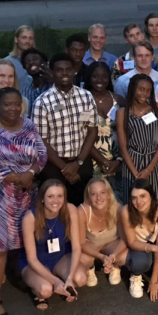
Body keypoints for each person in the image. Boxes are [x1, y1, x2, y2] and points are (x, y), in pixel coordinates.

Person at [0, 87, 47, 315]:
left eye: (17, 104)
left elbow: (42, 154)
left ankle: (35, 285)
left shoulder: (29, 125)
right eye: (7, 104)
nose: (13, 108)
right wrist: (20, 177)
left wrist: (32, 173)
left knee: (29, 242)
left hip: (26, 194)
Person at [33, 53, 99, 206]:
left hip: (82, 163)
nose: (64, 74)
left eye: (68, 69)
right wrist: (65, 169)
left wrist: (78, 162)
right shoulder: (42, 102)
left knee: (84, 207)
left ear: (74, 71)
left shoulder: (86, 96)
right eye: (59, 70)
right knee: (56, 209)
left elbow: (92, 131)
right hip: (54, 166)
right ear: (52, 72)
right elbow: (41, 141)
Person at [20, 180, 86, 310]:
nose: (55, 201)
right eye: (50, 196)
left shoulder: (70, 209)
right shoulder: (30, 218)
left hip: (59, 256)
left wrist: (70, 278)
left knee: (80, 278)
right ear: (43, 198)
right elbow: (32, 259)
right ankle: (37, 289)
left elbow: (77, 247)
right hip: (36, 261)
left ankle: (62, 282)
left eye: (60, 196)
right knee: (45, 290)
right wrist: (56, 281)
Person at [118, 179, 158, 300]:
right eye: (134, 198)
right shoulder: (126, 211)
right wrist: (155, 248)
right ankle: (136, 275)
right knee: (139, 263)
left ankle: (156, 270)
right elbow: (132, 242)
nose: (138, 202)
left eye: (143, 196)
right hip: (140, 244)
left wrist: (153, 281)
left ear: (151, 196)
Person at [117, 75, 158, 203]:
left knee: (155, 201)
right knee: (133, 203)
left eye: (148, 90)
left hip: (153, 162)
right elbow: (123, 147)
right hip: (132, 162)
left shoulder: (156, 108)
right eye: (141, 89)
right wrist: (136, 174)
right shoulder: (123, 112)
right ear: (133, 89)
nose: (144, 93)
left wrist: (148, 169)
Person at [76, 177, 127, 287]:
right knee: (82, 259)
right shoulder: (82, 211)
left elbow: (124, 239)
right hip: (90, 246)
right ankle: (90, 268)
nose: (99, 198)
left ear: (109, 194)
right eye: (93, 194)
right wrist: (102, 257)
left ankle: (115, 266)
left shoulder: (119, 209)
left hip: (111, 244)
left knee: (124, 257)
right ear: (88, 197)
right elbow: (81, 242)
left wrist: (113, 256)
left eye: (102, 192)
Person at [83, 62, 125, 186]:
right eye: (95, 76)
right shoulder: (83, 102)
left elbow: (128, 133)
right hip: (91, 160)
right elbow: (82, 136)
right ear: (89, 77)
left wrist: (118, 161)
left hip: (117, 161)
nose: (100, 80)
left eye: (104, 76)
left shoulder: (119, 100)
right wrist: (104, 162)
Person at [18, 48, 52, 117]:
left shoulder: (56, 86)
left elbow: (62, 107)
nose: (31, 63)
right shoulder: (24, 91)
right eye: (27, 62)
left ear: (45, 63)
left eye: (35, 59)